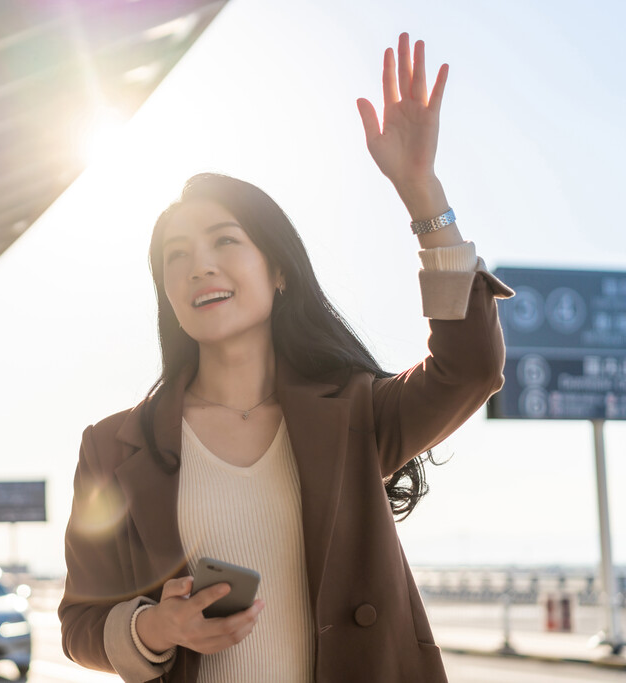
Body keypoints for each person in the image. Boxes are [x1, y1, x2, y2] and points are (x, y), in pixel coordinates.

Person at [59, 33, 513, 683]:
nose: (201, 265)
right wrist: (156, 626)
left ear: (277, 271)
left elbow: (469, 369)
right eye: (176, 255)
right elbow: (79, 623)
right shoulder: (112, 445)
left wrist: (422, 192)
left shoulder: (355, 414)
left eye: (224, 240)